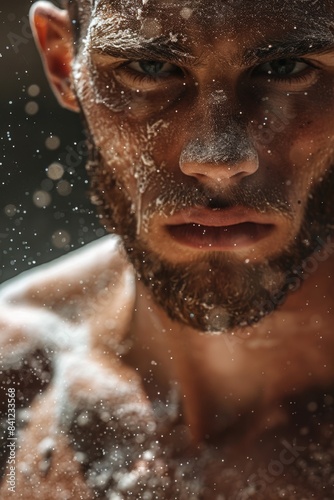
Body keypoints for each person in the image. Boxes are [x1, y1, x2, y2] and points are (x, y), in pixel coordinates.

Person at [1, 0, 334, 498]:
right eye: (148, 68)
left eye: (284, 68)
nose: (217, 158)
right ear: (64, 60)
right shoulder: (15, 381)